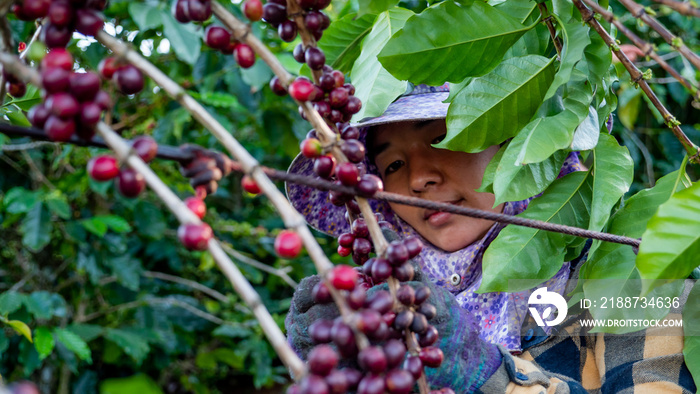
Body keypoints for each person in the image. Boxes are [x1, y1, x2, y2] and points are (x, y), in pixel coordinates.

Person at [281, 84, 696, 393]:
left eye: (445, 139)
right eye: (392, 165)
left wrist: (487, 373)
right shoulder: (393, 307)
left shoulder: (634, 281)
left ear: (521, 151)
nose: (419, 178)